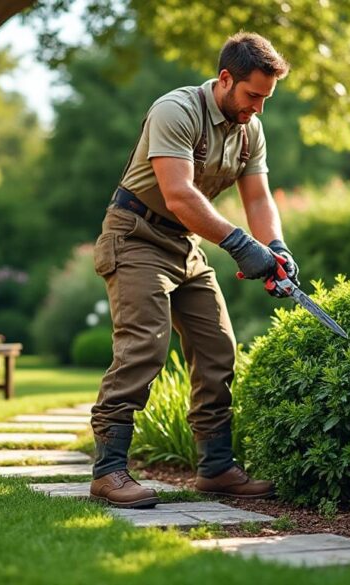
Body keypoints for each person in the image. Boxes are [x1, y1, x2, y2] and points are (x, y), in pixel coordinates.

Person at [88, 32, 300, 508]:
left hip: (185, 243)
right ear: (225, 79)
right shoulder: (176, 110)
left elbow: (258, 197)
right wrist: (242, 246)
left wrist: (275, 247)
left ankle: (216, 467)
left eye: (266, 98)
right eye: (252, 96)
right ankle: (108, 470)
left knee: (218, 346)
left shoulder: (250, 128)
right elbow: (180, 193)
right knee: (145, 344)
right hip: (136, 234)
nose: (258, 108)